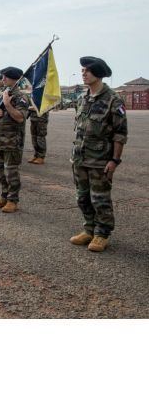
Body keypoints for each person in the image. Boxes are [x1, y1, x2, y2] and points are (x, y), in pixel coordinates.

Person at [70, 56, 127, 253]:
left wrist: (114, 160)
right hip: (79, 157)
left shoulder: (113, 100)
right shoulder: (82, 98)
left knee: (100, 199)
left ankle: (102, 234)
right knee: (82, 197)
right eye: (82, 70)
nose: (83, 73)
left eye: (87, 70)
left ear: (98, 73)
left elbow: (120, 134)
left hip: (100, 160)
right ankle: (89, 229)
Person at [0, 67, 28, 212]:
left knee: (11, 172)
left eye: (5, 77)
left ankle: (13, 200)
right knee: (0, 170)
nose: (2, 80)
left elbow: (20, 117)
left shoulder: (20, 97)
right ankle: (4, 195)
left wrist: (8, 104)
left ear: (14, 79)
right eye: (2, 77)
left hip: (12, 142)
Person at [27, 96, 49, 164]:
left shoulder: (45, 94)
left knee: (40, 137)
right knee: (34, 137)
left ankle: (41, 156)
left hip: (41, 119)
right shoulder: (35, 94)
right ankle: (36, 155)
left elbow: (48, 106)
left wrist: (31, 108)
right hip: (33, 118)